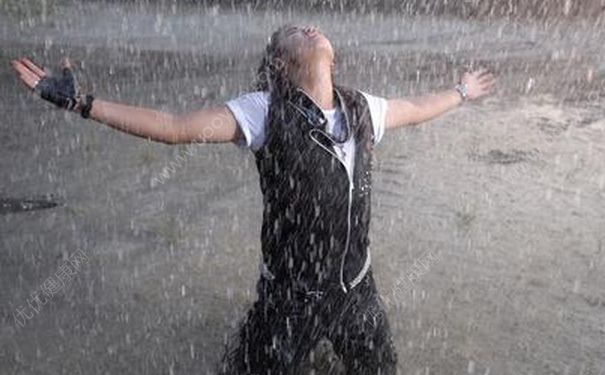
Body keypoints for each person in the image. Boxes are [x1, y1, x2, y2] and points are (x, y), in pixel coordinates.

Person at [10, 23, 495, 375]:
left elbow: (416, 108)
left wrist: (460, 91)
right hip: (288, 300)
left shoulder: (362, 107)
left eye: (312, 28)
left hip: (356, 291)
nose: (308, 28)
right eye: (293, 33)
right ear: (281, 63)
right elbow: (176, 128)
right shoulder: (263, 110)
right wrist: (83, 103)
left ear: (333, 57)